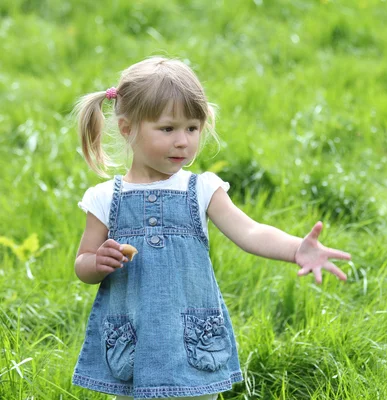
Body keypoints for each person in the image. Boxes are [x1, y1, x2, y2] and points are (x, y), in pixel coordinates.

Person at [71, 56, 351, 400]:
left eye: (192, 128)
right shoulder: (104, 198)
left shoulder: (202, 189)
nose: (183, 141)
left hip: (194, 343)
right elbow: (82, 263)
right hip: (134, 347)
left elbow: (249, 232)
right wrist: (96, 263)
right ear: (128, 128)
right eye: (167, 128)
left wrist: (297, 249)